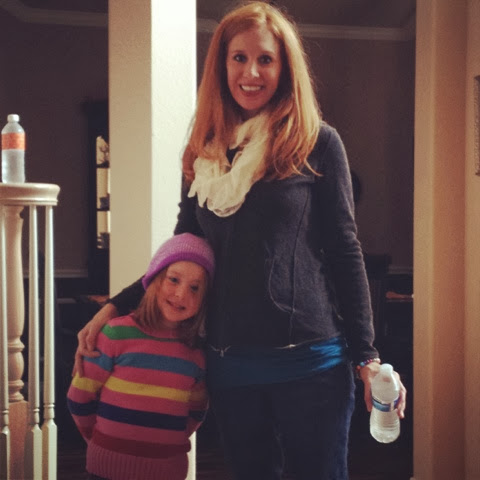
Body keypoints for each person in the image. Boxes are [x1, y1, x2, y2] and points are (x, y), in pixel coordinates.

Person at [75, 2, 407, 479]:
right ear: (222, 65)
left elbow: (344, 250)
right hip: (230, 363)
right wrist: (114, 307)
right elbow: (184, 247)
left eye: (265, 59)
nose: (251, 73)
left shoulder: (317, 142)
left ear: (284, 67)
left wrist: (367, 355)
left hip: (311, 362)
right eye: (239, 58)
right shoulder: (203, 151)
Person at [68, 233, 215, 480]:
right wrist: (98, 440)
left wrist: (165, 447)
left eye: (195, 287)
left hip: (167, 471)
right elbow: (79, 397)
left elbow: (196, 411)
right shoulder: (115, 334)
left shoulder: (195, 353)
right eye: (174, 280)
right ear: (154, 279)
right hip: (105, 469)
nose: (181, 294)